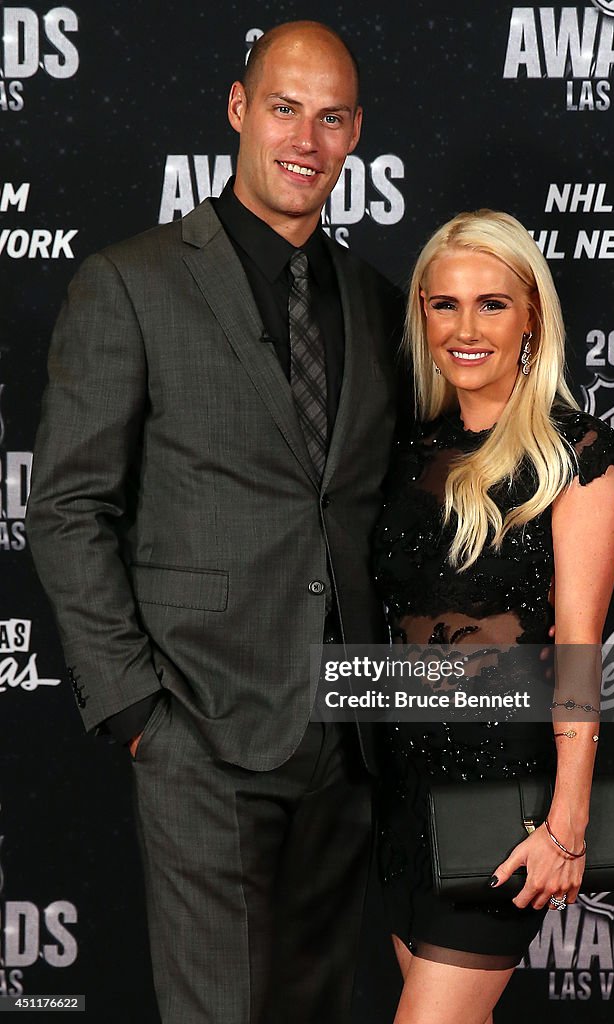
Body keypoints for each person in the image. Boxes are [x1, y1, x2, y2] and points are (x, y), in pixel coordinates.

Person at [26, 21, 402, 1024]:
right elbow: (67, 504)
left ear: (355, 132)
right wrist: (140, 712)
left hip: (348, 736)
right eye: (284, 108)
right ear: (238, 110)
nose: (305, 139)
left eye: (330, 118)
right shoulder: (131, 282)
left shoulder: (375, 302)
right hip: (198, 727)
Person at [372, 209, 614, 1023]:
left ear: (532, 317)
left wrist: (567, 825)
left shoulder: (573, 454)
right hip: (399, 794)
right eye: (444, 304)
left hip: (505, 799)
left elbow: (580, 653)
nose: (465, 328)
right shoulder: (404, 451)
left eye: (491, 303)